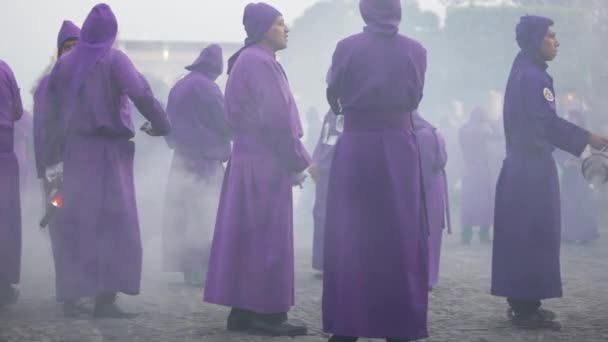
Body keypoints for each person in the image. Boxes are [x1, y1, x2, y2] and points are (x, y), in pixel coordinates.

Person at [44, 3, 171, 318]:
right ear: (112, 32)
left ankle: (74, 292)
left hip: (74, 153)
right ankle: (105, 298)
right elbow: (141, 93)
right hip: (108, 153)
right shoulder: (114, 59)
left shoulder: (63, 65)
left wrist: (52, 157)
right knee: (115, 223)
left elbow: (51, 113)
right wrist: (163, 125)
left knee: (78, 222)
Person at [492, 15, 608, 330]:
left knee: (525, 236)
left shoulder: (523, 72)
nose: (556, 42)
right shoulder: (533, 77)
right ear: (535, 41)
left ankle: (525, 302)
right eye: (550, 36)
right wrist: (589, 139)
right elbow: (546, 124)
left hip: (524, 164)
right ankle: (525, 306)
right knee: (534, 234)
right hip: (531, 168)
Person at [322, 1, 428, 341]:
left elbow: (334, 95)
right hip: (399, 146)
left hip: (356, 146)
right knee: (400, 235)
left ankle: (348, 324)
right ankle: (400, 326)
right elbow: (416, 98)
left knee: (352, 233)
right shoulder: (416, 50)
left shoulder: (346, 48)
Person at [203, 2, 310, 337]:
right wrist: (299, 160)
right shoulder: (261, 63)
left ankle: (246, 312)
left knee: (249, 239)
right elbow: (278, 119)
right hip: (265, 163)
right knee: (267, 239)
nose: (286, 28)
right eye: (280, 23)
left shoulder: (248, 61)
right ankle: (265, 313)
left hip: (251, 160)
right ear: (264, 29)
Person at [162, 44, 231, 286]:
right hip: (207, 160)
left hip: (182, 159)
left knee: (183, 215)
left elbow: (167, 124)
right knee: (206, 214)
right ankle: (205, 268)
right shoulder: (209, 88)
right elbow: (225, 122)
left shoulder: (179, 86)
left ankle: (189, 268)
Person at [413, 111, 450, 290]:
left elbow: (424, 168)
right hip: (434, 186)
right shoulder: (430, 131)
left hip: (427, 188)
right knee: (432, 234)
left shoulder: (423, 136)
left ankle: (426, 277)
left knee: (428, 234)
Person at [0, 60, 24, 307]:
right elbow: (17, 111)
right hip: (3, 155)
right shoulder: (5, 69)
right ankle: (2, 285)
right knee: (4, 222)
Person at [557, 109, 599, 244]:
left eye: (575, 118)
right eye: (570, 118)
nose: (572, 120)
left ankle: (583, 233)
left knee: (581, 203)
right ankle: (568, 234)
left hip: (581, 175)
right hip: (569, 175)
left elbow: (590, 154)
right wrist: (565, 162)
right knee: (568, 203)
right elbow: (558, 153)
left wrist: (580, 162)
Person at [309, 108, 342, 276]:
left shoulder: (347, 110)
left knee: (334, 217)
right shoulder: (331, 112)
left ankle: (334, 263)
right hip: (324, 173)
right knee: (321, 215)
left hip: (336, 171)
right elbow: (323, 141)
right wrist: (314, 163)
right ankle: (324, 263)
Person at [458, 107, 496, 244]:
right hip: (481, 169)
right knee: (484, 204)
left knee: (468, 203)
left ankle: (466, 234)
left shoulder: (464, 129)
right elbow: (495, 135)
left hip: (469, 168)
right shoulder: (483, 128)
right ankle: (484, 234)